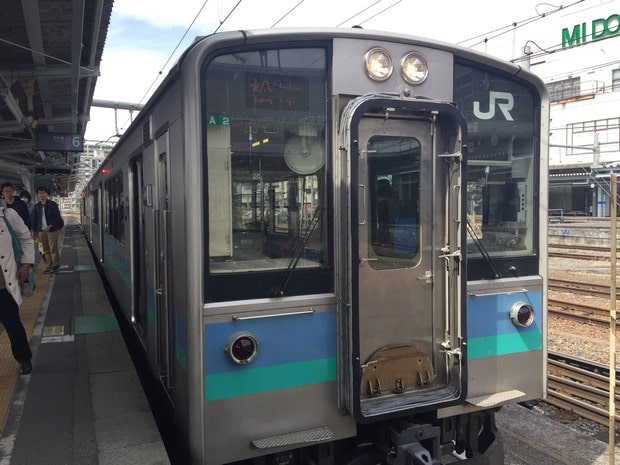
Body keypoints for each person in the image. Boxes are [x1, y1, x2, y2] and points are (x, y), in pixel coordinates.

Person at [0, 199, 35, 375]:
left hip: (4, 282)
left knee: (12, 323)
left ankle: (24, 358)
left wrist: (26, 264)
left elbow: (25, 238)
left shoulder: (8, 215)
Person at [32, 186, 64, 273]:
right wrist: (34, 231)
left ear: (46, 194)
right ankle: (49, 265)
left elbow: (57, 217)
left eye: (43, 193)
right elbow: (34, 220)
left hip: (52, 230)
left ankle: (56, 265)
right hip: (41, 231)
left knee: (53, 248)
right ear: (37, 195)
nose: (41, 195)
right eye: (39, 193)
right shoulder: (36, 207)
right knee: (45, 249)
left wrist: (52, 225)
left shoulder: (53, 204)